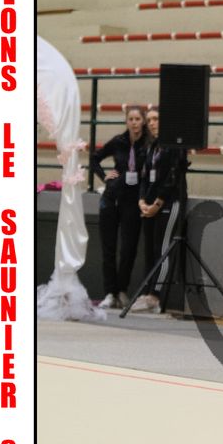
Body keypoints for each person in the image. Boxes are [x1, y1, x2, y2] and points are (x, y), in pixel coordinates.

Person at [130, 107, 188, 313]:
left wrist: (157, 204)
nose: (152, 123)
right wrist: (142, 201)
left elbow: (172, 178)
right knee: (150, 251)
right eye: (150, 120)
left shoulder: (174, 147)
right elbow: (145, 176)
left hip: (169, 203)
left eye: (156, 119)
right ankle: (147, 291)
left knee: (162, 250)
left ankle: (155, 295)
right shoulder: (152, 146)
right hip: (150, 205)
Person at [90, 104, 148, 308]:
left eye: (137, 119)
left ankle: (122, 289)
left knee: (128, 248)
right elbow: (94, 158)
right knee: (108, 248)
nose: (134, 123)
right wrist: (104, 176)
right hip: (111, 198)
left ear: (143, 121)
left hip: (133, 201)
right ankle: (109, 292)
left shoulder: (148, 143)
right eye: (131, 119)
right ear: (126, 121)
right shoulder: (118, 141)